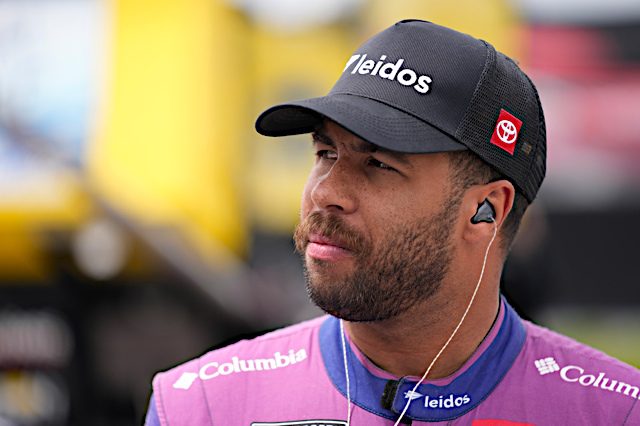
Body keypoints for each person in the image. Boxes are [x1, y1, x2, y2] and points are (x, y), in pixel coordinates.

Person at [144, 19, 640, 425]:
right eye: (324, 152)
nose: (325, 192)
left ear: (486, 210)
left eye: (378, 164)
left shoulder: (615, 412)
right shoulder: (201, 406)